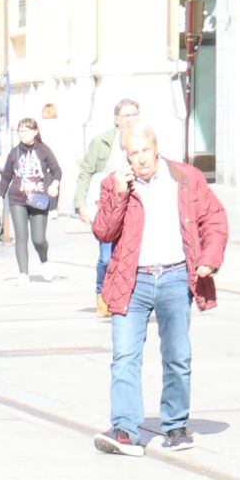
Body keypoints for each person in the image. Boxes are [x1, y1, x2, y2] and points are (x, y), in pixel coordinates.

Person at [90, 124, 228, 457]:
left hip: (175, 277)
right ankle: (124, 429)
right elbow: (103, 232)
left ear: (156, 149)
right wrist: (120, 194)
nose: (140, 159)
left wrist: (209, 259)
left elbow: (215, 219)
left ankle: (176, 425)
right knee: (124, 357)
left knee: (178, 356)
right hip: (131, 281)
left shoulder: (186, 178)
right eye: (133, 153)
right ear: (126, 156)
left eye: (145, 151)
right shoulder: (115, 184)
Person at [75, 98, 141, 318]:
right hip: (107, 206)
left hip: (134, 207)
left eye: (134, 115)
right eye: (126, 116)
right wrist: (80, 204)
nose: (131, 120)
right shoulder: (102, 142)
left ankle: (129, 298)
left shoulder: (145, 140)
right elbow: (85, 172)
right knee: (106, 257)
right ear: (117, 120)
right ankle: (101, 294)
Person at [0, 118, 62, 283]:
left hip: (38, 198)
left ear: (35, 131)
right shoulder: (14, 153)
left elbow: (56, 170)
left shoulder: (44, 150)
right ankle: (23, 273)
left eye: (26, 130)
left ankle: (44, 261)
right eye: (20, 131)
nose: (23, 134)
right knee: (21, 236)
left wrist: (54, 184)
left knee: (38, 239)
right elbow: (5, 178)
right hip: (18, 198)